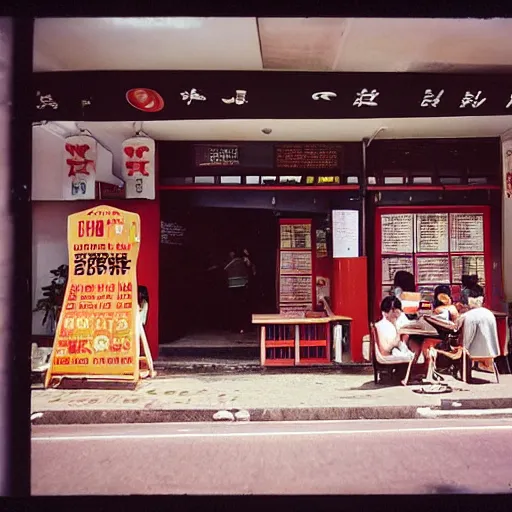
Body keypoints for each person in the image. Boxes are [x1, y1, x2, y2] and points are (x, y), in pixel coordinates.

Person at [456, 285, 499, 360]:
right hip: (492, 353)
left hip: (474, 355)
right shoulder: (489, 313)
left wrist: (461, 348)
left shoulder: (468, 316)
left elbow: (466, 339)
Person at [224, 249, 251, 334]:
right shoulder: (241, 261)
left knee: (237, 307)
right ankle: (240, 327)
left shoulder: (239, 261)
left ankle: (238, 327)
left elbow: (225, 269)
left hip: (238, 286)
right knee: (240, 307)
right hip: (240, 286)